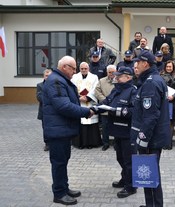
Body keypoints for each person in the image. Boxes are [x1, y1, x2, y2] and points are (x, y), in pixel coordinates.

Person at [43, 56, 95, 205]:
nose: (75, 71)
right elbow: (63, 106)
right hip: (57, 131)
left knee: (63, 161)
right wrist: (86, 112)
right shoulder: (56, 81)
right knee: (59, 162)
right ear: (65, 67)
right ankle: (59, 193)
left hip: (62, 129)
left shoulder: (60, 80)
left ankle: (64, 188)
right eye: (73, 68)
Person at [131, 50, 171, 207]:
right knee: (149, 173)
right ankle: (151, 204)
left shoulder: (150, 83)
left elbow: (151, 116)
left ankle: (155, 204)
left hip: (151, 138)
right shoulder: (154, 79)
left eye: (138, 62)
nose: (136, 65)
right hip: (154, 136)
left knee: (151, 174)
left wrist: (142, 139)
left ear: (145, 64)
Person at [97, 66, 138, 198]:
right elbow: (106, 101)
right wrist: (95, 108)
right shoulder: (116, 89)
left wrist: (116, 111)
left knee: (128, 160)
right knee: (120, 157)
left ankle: (131, 186)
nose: (116, 77)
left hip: (127, 131)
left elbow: (133, 111)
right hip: (116, 130)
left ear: (128, 77)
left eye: (119, 76)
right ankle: (125, 178)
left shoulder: (133, 91)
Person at [71, 62, 101, 149]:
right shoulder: (74, 77)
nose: (84, 70)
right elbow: (72, 88)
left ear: (88, 69)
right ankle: (79, 143)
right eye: (82, 69)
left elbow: (95, 88)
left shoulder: (94, 77)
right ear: (79, 69)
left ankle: (91, 143)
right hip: (79, 102)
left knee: (90, 123)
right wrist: (78, 97)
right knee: (80, 122)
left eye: (85, 68)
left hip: (89, 102)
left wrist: (88, 97)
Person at [160, 60, 175, 149]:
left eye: (170, 67)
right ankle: (163, 142)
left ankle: (169, 143)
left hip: (173, 102)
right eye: (167, 66)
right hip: (163, 101)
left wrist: (173, 96)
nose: (169, 68)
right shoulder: (160, 75)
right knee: (163, 123)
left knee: (170, 123)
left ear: (173, 67)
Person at [94, 65, 117, 151]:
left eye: (113, 72)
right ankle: (105, 143)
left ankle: (116, 143)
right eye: (109, 72)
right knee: (105, 127)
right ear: (107, 72)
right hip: (105, 107)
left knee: (116, 126)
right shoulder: (101, 80)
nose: (111, 74)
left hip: (115, 107)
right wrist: (105, 100)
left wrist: (114, 101)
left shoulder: (119, 80)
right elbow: (97, 91)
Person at [36, 68, 52, 151]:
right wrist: (51, 100)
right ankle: (47, 144)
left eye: (49, 76)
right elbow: (39, 97)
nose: (47, 77)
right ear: (43, 76)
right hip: (44, 111)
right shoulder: (40, 85)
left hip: (54, 111)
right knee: (45, 128)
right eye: (46, 75)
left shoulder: (55, 85)